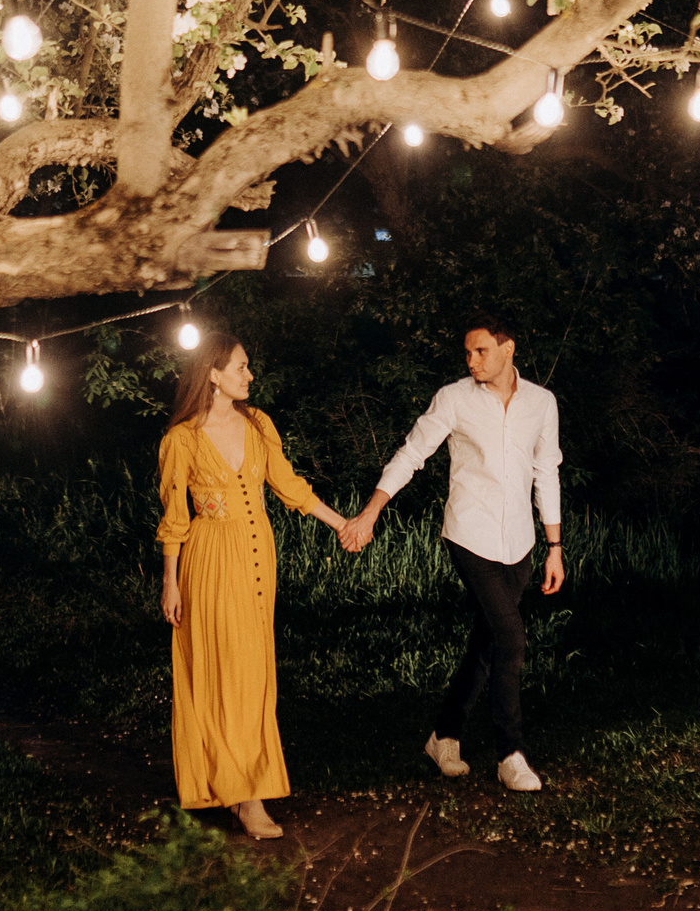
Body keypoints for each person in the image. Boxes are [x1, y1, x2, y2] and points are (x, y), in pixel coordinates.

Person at [338, 316, 563, 792]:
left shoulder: (542, 403)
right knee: (511, 638)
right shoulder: (455, 398)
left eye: (480, 351)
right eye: (467, 353)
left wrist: (554, 546)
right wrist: (371, 512)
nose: (471, 361)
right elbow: (412, 452)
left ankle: (444, 734)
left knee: (487, 644)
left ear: (508, 348)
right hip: (469, 535)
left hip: (519, 542)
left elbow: (547, 472)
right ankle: (510, 754)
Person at [155, 334, 351, 839]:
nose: (249, 376)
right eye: (241, 368)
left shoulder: (259, 424)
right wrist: (170, 584)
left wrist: (341, 524)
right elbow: (176, 518)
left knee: (255, 673)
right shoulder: (182, 440)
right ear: (213, 376)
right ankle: (247, 798)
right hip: (211, 561)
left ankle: (246, 786)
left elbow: (289, 487)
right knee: (227, 673)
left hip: (258, 557)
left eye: (248, 367)